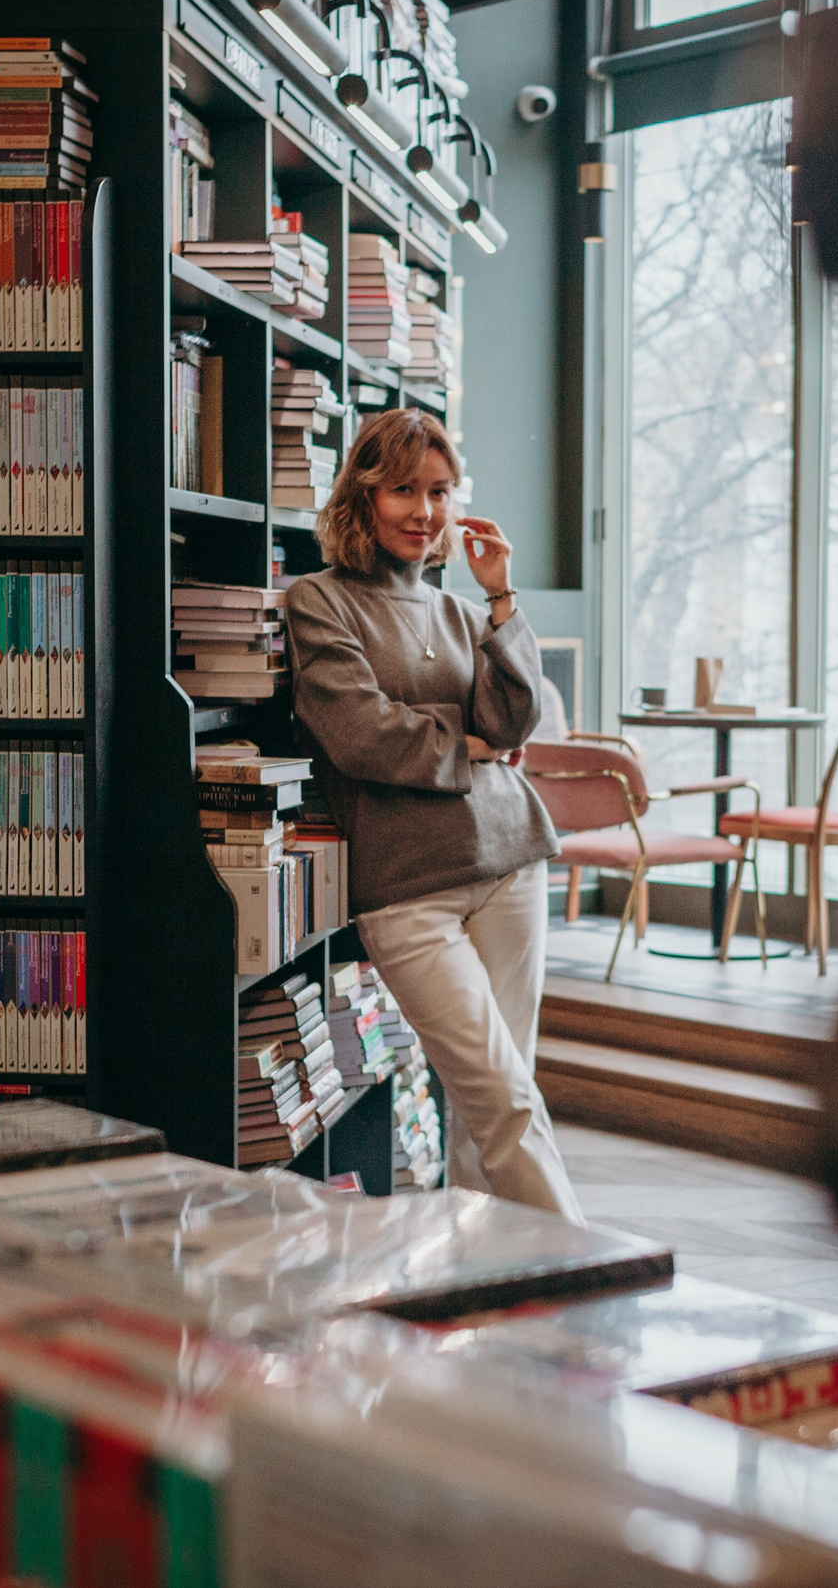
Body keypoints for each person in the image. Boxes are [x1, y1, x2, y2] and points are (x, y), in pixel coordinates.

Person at [284, 408, 583, 1221]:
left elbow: (512, 723)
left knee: (494, 1097)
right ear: (363, 496)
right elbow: (361, 736)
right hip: (408, 889)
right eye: (404, 490)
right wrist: (470, 744)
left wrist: (500, 600)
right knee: (500, 1092)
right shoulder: (319, 602)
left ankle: (487, 1274)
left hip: (511, 861)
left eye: (441, 492)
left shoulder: (457, 611)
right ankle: (583, 1269)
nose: (424, 510)